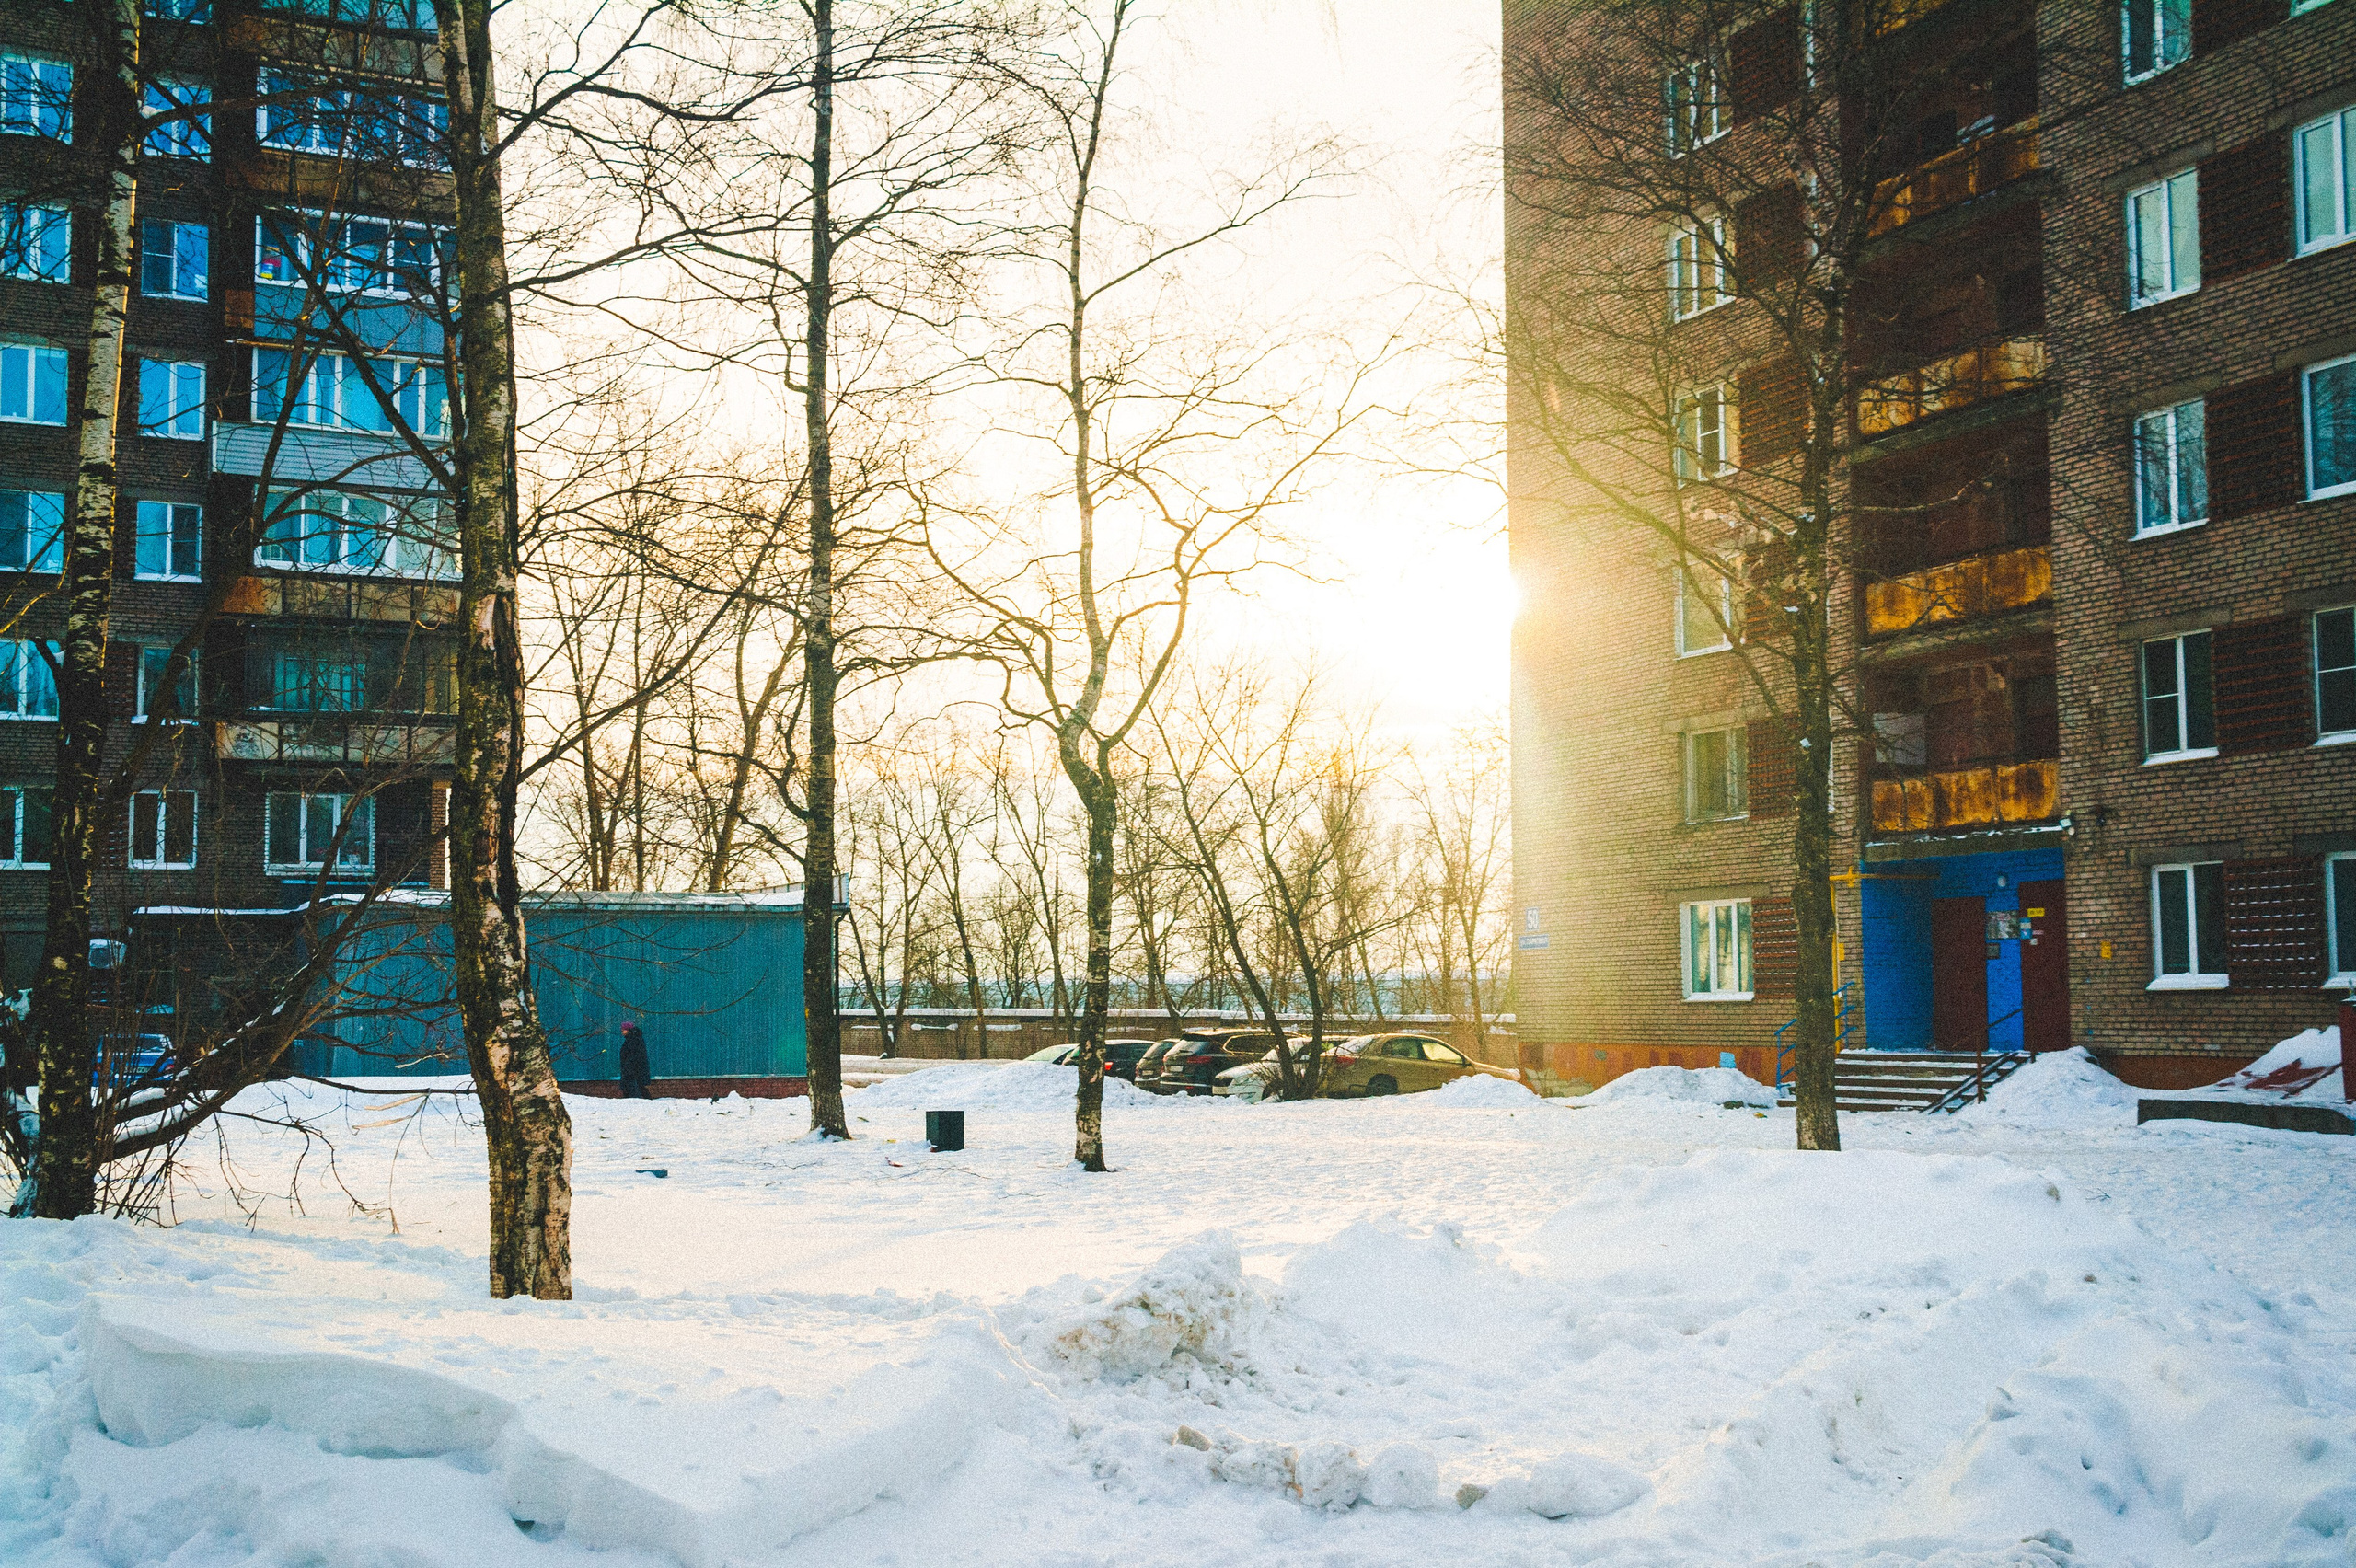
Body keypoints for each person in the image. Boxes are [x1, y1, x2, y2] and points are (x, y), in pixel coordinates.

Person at [618, 1021, 652, 1100]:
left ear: (628, 1030)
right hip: (633, 1069)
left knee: (633, 1089)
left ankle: (638, 1102)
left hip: (632, 1070)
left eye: (624, 1029)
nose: (622, 1031)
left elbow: (634, 1055)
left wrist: (628, 1066)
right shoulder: (633, 1039)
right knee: (638, 1087)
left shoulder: (633, 1040)